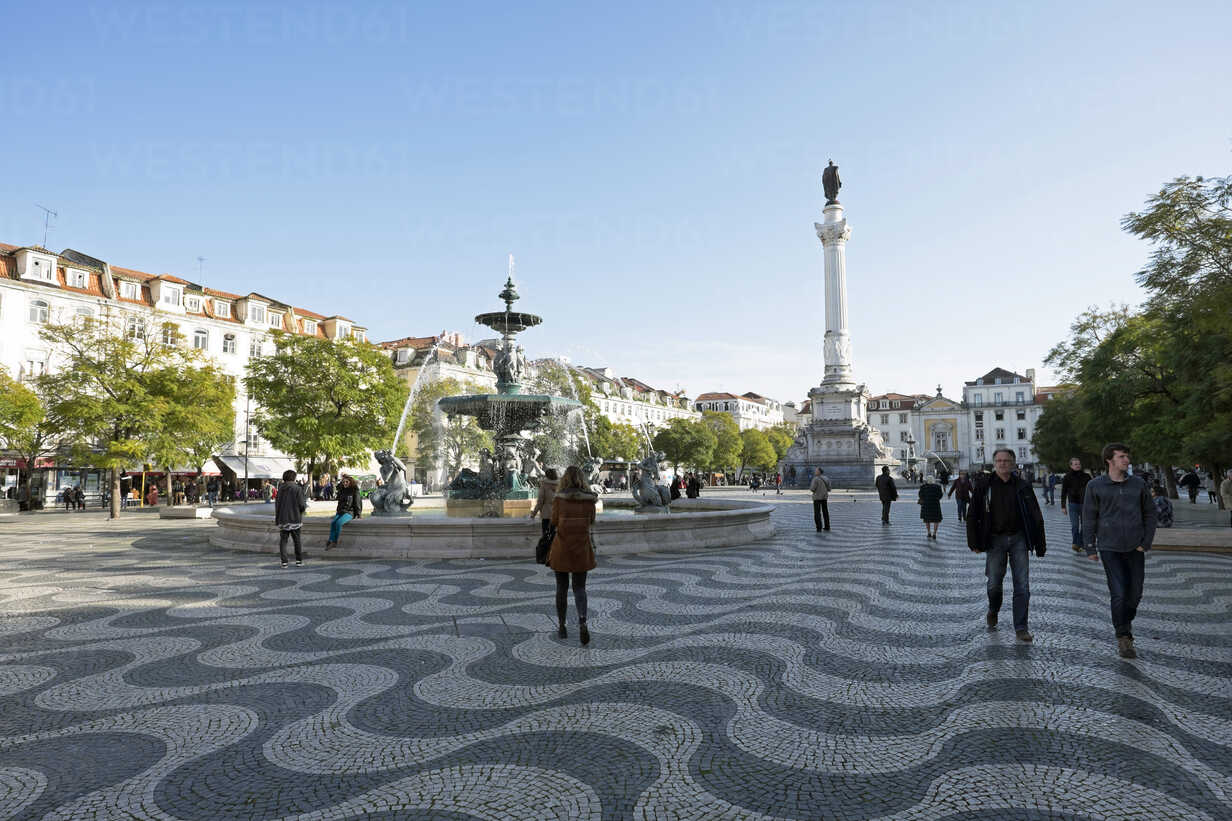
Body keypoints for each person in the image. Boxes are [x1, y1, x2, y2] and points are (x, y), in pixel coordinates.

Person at [1082, 443, 1157, 658]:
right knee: (1119, 593)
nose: (1127, 460)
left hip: (1135, 546)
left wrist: (1146, 541)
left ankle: (1125, 621)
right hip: (1109, 547)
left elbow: (1150, 513)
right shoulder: (1096, 486)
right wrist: (1090, 546)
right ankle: (1123, 636)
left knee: (1135, 593)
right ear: (1109, 460)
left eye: (1127, 456)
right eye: (1122, 457)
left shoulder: (1138, 484)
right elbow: (1088, 517)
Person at [967, 448, 1046, 643]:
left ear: (1013, 463)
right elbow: (973, 514)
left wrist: (1040, 543)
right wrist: (973, 541)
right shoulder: (984, 485)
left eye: (1006, 461)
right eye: (999, 461)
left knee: (1022, 585)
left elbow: (1036, 514)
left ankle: (1021, 627)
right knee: (994, 583)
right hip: (994, 539)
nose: (1003, 464)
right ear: (994, 463)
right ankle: (993, 609)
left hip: (1018, 538)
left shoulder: (1022, 486)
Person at [547, 465, 597, 645]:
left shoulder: (559, 500)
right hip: (581, 547)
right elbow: (591, 521)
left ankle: (562, 626)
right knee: (580, 587)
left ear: (565, 479)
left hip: (562, 547)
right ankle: (582, 620)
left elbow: (553, 521)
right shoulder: (589, 501)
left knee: (561, 588)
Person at [274, 469, 308, 568]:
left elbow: (277, 504)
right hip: (295, 518)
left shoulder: (280, 489)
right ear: (294, 477)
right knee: (297, 540)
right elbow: (302, 504)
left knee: (283, 541)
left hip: (283, 519)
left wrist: (278, 518)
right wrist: (302, 511)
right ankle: (299, 561)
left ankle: (284, 562)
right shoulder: (297, 488)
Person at [1060, 457, 1092, 553]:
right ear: (1071, 466)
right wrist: (1063, 506)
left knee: (1084, 525)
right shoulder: (1067, 477)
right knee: (1075, 525)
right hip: (1073, 504)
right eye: (1075, 464)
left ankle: (1080, 544)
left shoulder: (1086, 476)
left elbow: (1092, 490)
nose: (1078, 465)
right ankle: (1075, 543)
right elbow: (1063, 492)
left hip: (1084, 504)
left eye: (1079, 464)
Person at [325, 475, 362, 550]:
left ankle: (334, 542)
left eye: (346, 482)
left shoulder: (354, 490)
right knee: (333, 523)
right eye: (343, 482)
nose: (345, 483)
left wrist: (359, 514)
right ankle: (330, 540)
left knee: (338, 523)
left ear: (350, 482)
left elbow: (357, 503)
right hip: (341, 512)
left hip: (350, 512)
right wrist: (336, 514)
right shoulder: (342, 490)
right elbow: (339, 503)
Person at [529, 468, 559, 537]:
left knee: (545, 535)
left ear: (546, 476)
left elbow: (540, 502)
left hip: (546, 514)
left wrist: (533, 514)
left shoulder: (544, 485)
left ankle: (546, 547)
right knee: (554, 535)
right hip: (557, 513)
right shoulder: (561, 485)